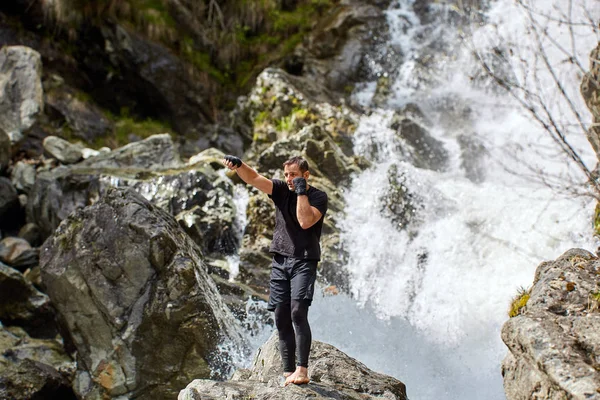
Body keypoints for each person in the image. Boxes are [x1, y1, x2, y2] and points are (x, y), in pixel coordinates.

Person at [222, 154, 328, 386]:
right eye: (287, 175)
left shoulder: (318, 196)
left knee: (298, 312)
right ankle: (287, 372)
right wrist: (239, 165)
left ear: (306, 175)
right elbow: (253, 178)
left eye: (294, 175)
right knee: (280, 316)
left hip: (304, 260)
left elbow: (305, 221)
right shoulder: (280, 189)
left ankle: (302, 370)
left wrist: (300, 191)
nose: (289, 179)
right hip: (280, 260)